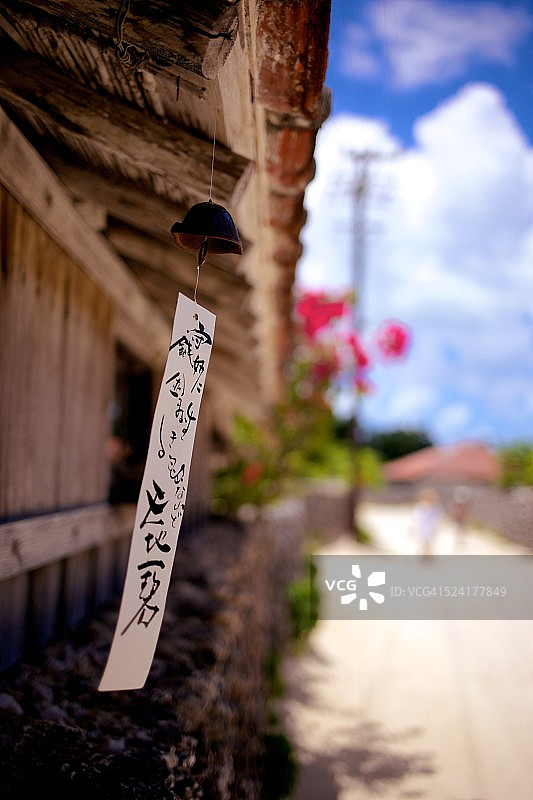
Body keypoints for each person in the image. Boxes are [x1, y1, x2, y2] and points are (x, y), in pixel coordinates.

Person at [410, 488, 442, 557]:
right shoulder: (420, 506)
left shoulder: (436, 507)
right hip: (422, 527)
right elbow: (416, 517)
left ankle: (428, 553)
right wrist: (412, 527)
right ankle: (424, 553)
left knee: (430, 541)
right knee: (423, 541)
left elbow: (438, 517)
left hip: (431, 527)